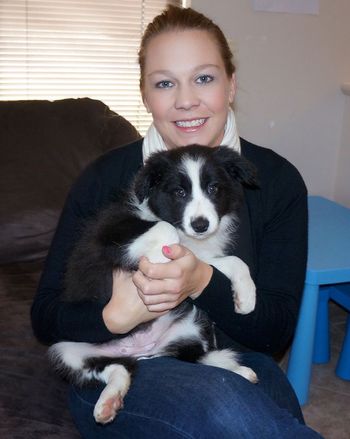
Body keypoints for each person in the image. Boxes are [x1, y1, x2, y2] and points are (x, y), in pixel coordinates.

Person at [31, 5, 323, 438]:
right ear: (146, 95)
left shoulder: (275, 181)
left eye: (204, 78)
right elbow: (46, 316)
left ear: (231, 85)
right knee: (229, 412)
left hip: (230, 356)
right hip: (115, 367)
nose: (186, 100)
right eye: (165, 83)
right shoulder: (104, 178)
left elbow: (274, 330)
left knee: (276, 417)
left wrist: (202, 280)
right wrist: (114, 317)